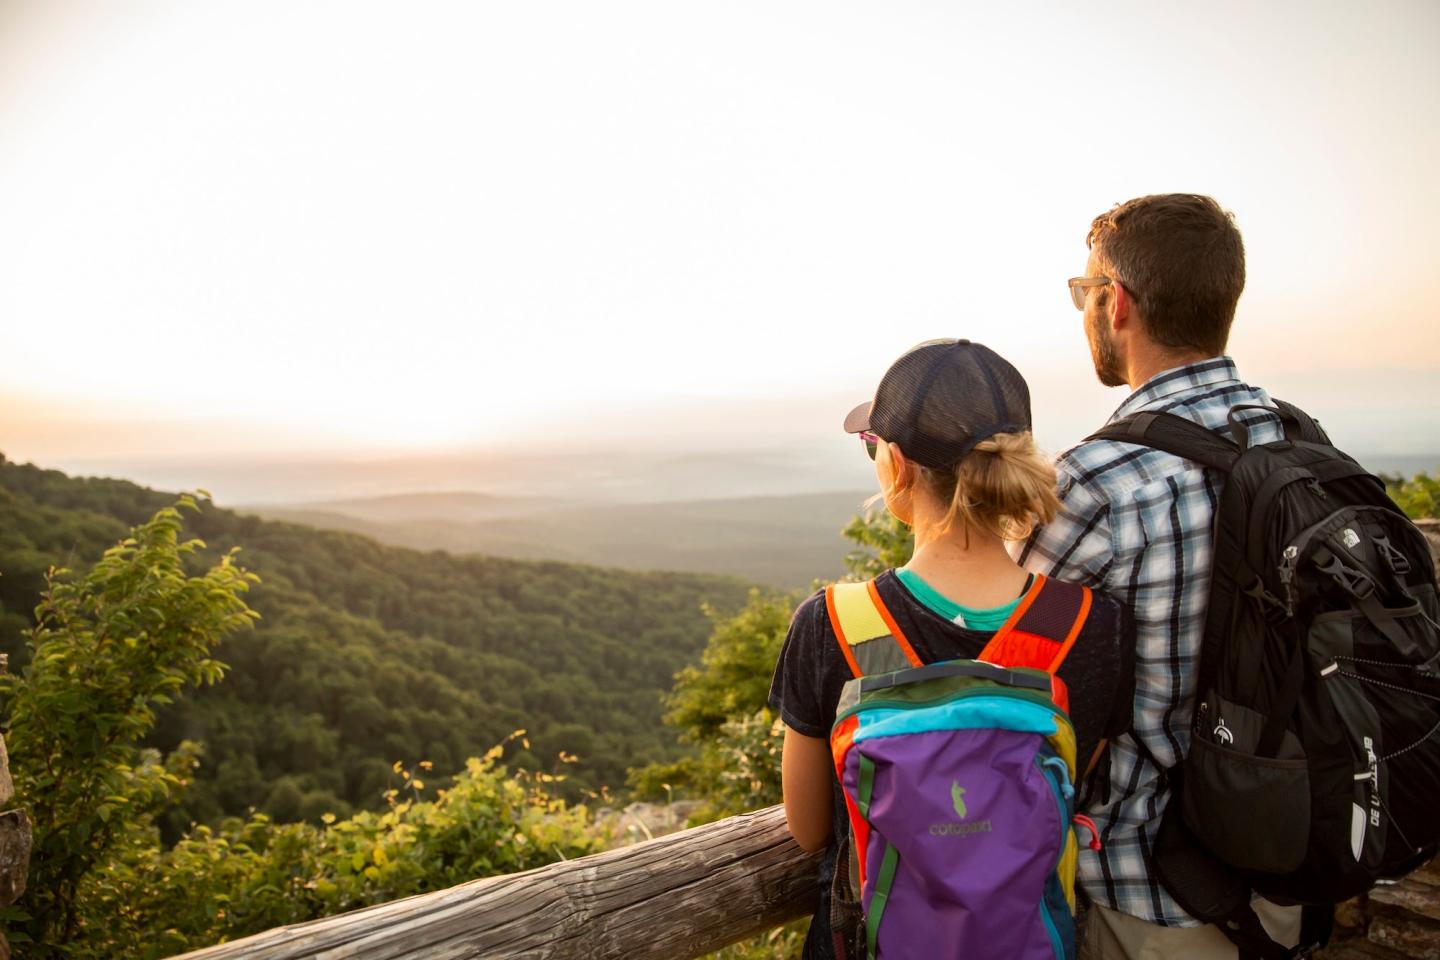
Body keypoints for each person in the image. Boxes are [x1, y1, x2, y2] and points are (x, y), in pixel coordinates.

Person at [769, 338, 1135, 959]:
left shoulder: (831, 624)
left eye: (872, 445)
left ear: (898, 467)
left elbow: (807, 831)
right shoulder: (1092, 625)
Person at [1019, 193, 1302, 958]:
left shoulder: (1097, 481)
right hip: (1285, 875)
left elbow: (1009, 682)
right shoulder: (1296, 439)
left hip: (1148, 895)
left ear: (1116, 303)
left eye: (1085, 291)